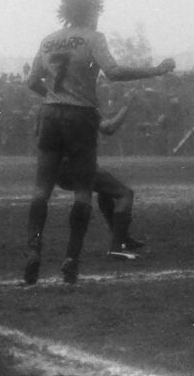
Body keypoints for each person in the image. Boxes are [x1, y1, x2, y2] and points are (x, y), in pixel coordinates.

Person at [24, 0, 175, 285]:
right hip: (80, 116)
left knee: (41, 190)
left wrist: (54, 94)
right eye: (96, 11)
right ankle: (71, 259)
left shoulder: (48, 39)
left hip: (51, 114)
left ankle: (33, 252)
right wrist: (156, 70)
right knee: (83, 191)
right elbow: (114, 72)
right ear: (90, 11)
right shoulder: (93, 37)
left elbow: (31, 82)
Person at [56, 91, 146, 261]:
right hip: (79, 166)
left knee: (106, 192)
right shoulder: (85, 108)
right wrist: (127, 106)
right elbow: (109, 128)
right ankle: (117, 246)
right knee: (125, 194)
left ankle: (122, 238)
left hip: (59, 169)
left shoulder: (57, 108)